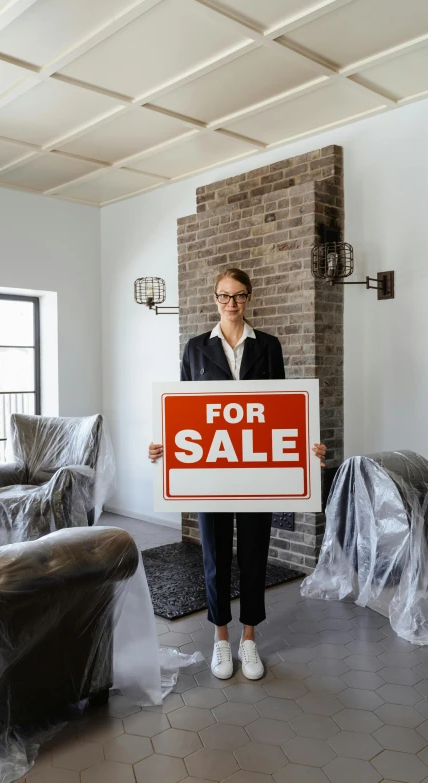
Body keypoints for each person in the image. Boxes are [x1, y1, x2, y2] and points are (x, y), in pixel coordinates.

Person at [148, 268, 326, 681]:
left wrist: (306, 445)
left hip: (256, 474)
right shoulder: (195, 349)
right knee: (214, 557)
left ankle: (249, 640)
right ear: (214, 299)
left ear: (249, 298)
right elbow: (184, 412)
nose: (231, 303)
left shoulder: (268, 347)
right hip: (211, 475)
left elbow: (281, 410)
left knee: (252, 554)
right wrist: (163, 446)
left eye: (239, 296)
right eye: (224, 296)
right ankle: (220, 639)